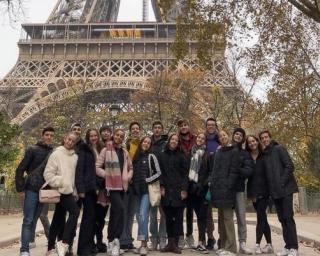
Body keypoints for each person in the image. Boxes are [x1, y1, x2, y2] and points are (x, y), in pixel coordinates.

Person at [15, 127, 55, 256]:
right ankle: (24, 250)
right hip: (31, 189)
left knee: (35, 219)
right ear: (42, 135)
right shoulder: (32, 150)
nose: (49, 137)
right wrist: (20, 190)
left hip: (44, 191)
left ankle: (28, 246)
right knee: (28, 219)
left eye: (51, 135)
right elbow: (20, 170)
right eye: (47, 135)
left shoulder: (54, 153)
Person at [259, 130, 299, 256]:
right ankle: (287, 246)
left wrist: (281, 182)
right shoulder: (265, 155)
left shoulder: (279, 148)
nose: (265, 139)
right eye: (262, 138)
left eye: (266, 137)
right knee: (282, 219)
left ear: (270, 138)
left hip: (286, 189)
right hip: (275, 192)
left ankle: (294, 248)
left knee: (288, 218)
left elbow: (289, 166)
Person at [96, 128, 133, 256]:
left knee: (114, 213)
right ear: (113, 136)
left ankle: (111, 242)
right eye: (117, 135)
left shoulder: (124, 152)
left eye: (121, 136)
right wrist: (107, 175)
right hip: (111, 186)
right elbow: (97, 167)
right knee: (121, 210)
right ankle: (116, 240)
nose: (119, 137)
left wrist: (128, 176)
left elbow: (130, 167)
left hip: (122, 186)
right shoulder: (106, 150)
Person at [44, 132, 80, 256]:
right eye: (69, 139)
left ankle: (50, 249)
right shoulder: (56, 154)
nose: (70, 142)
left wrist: (74, 190)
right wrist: (61, 182)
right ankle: (64, 243)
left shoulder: (75, 157)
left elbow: (74, 177)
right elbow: (48, 174)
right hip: (60, 190)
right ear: (64, 139)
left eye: (73, 141)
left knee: (58, 219)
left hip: (69, 191)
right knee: (75, 212)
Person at [210, 130, 239, 256]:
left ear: (228, 137)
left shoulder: (234, 151)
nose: (222, 137)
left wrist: (228, 186)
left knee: (228, 220)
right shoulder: (218, 152)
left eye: (224, 135)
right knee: (221, 220)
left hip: (227, 190)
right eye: (220, 136)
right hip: (217, 190)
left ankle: (231, 248)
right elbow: (215, 171)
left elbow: (234, 171)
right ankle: (223, 246)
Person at [132, 136, 162, 255]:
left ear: (150, 145)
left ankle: (144, 245)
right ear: (141, 142)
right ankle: (141, 244)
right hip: (135, 191)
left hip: (146, 192)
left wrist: (148, 180)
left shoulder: (151, 156)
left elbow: (158, 173)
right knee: (139, 218)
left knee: (143, 215)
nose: (146, 144)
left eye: (149, 143)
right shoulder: (135, 157)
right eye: (144, 141)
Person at [159, 133, 188, 254]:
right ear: (169, 141)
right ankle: (169, 243)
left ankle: (175, 244)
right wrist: (161, 186)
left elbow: (186, 174)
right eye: (172, 139)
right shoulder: (162, 155)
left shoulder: (181, 156)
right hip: (166, 191)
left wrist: (184, 189)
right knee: (168, 218)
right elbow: (159, 172)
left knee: (179, 218)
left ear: (178, 143)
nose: (174, 141)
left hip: (178, 191)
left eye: (176, 140)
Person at [75, 128, 102, 256]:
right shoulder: (84, 150)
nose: (94, 138)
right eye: (91, 136)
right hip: (87, 188)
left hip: (97, 188)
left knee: (93, 218)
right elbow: (79, 170)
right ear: (87, 137)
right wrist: (80, 189)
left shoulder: (99, 150)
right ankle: (83, 248)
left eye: (95, 135)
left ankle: (90, 245)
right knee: (87, 218)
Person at [246, 135, 273, 254]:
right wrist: (251, 194)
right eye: (249, 142)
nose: (252, 143)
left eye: (253, 141)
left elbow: (269, 174)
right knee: (263, 218)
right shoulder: (247, 157)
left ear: (257, 141)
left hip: (265, 191)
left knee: (260, 216)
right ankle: (269, 244)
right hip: (253, 192)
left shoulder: (265, 155)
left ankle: (257, 244)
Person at [232, 127, 254, 255]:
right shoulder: (227, 148)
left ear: (243, 138)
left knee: (241, 216)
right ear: (233, 135)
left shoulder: (245, 153)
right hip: (227, 190)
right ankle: (226, 242)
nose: (238, 136)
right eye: (236, 134)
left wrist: (237, 170)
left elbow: (248, 171)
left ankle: (242, 243)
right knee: (226, 218)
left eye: (241, 135)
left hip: (239, 189)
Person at [120, 121, 141, 251]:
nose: (135, 130)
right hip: (126, 182)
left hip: (137, 184)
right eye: (133, 128)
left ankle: (128, 240)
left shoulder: (143, 145)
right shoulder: (125, 146)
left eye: (137, 128)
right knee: (124, 212)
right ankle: (122, 239)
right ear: (130, 130)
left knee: (131, 213)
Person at [188, 133, 210, 254]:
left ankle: (202, 242)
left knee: (202, 217)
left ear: (205, 141)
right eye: (199, 137)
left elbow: (210, 172)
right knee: (196, 216)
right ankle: (199, 242)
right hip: (192, 190)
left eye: (202, 138)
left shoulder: (207, 154)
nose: (200, 139)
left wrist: (203, 184)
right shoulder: (191, 153)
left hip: (203, 190)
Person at [92, 125, 112, 253]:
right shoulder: (97, 147)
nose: (105, 133)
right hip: (98, 186)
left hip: (108, 187)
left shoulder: (113, 146)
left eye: (107, 131)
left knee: (101, 216)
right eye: (103, 131)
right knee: (96, 216)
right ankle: (95, 241)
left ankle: (99, 241)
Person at [177, 118, 196, 249]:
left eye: (185, 125)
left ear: (188, 126)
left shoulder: (195, 139)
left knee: (190, 210)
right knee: (179, 210)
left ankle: (189, 235)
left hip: (193, 178)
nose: (183, 127)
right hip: (180, 179)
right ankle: (180, 236)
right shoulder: (176, 140)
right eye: (181, 126)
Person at [149, 121, 167, 251]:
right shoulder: (148, 143)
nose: (157, 130)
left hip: (163, 182)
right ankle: (153, 238)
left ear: (162, 130)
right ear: (152, 129)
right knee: (152, 213)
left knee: (164, 213)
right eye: (155, 128)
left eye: (159, 128)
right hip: (151, 182)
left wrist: (164, 184)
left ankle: (162, 238)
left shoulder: (165, 145)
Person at [204, 117, 219, 250]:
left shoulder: (220, 140)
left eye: (213, 125)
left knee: (222, 212)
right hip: (207, 181)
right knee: (207, 212)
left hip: (220, 181)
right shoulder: (203, 140)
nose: (210, 127)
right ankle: (210, 237)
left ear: (215, 126)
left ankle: (223, 238)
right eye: (208, 125)